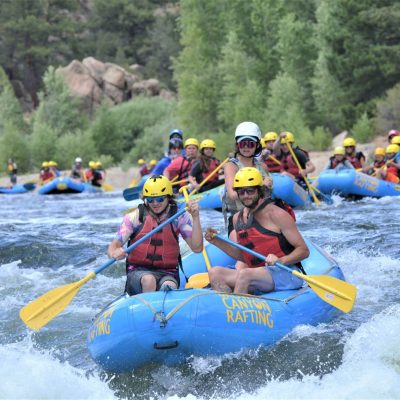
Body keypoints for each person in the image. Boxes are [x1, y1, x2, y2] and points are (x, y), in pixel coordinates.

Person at [205, 167, 309, 295]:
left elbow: (304, 250)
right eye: (241, 192)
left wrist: (281, 260)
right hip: (256, 273)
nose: (246, 196)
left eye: (250, 191)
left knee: (245, 274)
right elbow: (243, 256)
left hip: (285, 272)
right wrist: (216, 241)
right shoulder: (237, 218)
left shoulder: (277, 214)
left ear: (259, 191)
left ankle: (238, 310)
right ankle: (225, 309)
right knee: (215, 272)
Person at [107, 175, 203, 295]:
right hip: (138, 271)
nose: (155, 203)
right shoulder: (135, 217)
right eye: (151, 200)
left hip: (168, 273)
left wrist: (195, 217)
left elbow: (197, 248)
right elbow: (114, 246)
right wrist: (115, 252)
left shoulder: (179, 217)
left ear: (169, 197)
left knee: (169, 287)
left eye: (160, 199)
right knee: (149, 280)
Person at [223, 121, 272, 223]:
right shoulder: (231, 166)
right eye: (242, 144)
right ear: (238, 145)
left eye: (250, 144)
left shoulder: (262, 166)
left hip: (262, 215)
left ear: (257, 146)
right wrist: (262, 185)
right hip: (239, 217)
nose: (246, 147)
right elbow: (232, 195)